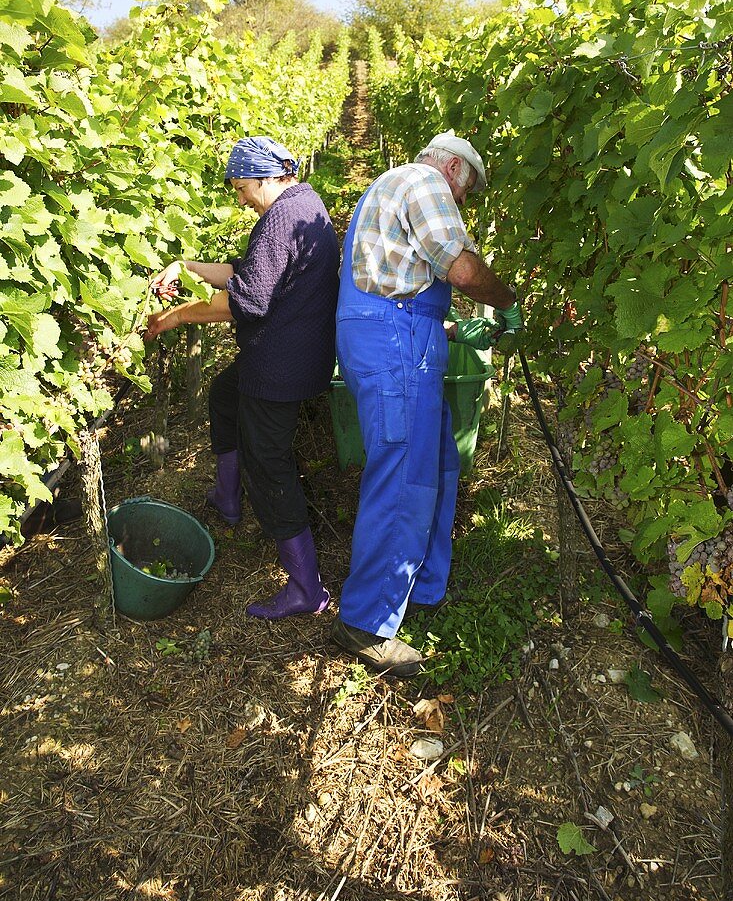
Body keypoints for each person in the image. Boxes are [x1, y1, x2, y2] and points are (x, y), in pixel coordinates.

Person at [331, 131, 522, 677]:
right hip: (396, 346)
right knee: (403, 475)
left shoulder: (386, 187)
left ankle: (419, 585)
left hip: (401, 336)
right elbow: (458, 268)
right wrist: (507, 299)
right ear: (456, 171)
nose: (462, 204)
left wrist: (459, 329)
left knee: (437, 461)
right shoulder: (425, 180)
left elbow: (399, 286)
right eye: (467, 195)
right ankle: (366, 622)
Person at [145, 136, 339, 620]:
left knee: (268, 464)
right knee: (223, 395)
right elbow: (248, 273)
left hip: (279, 366)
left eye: (241, 187)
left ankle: (306, 589)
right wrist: (186, 267)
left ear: (267, 177)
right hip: (294, 353)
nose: (240, 198)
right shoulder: (302, 204)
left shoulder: (281, 218)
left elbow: (247, 300)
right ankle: (227, 499)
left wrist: (176, 317)